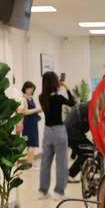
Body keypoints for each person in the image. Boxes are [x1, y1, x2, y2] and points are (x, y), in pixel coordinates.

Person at [38, 70, 76, 199]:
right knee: (61, 163)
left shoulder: (41, 98)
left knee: (45, 163)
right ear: (55, 83)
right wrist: (66, 87)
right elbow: (72, 103)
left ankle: (42, 191)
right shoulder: (59, 98)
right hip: (59, 131)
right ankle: (59, 192)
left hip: (47, 132)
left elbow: (50, 98)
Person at [19, 80, 42, 165]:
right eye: (29, 89)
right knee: (30, 143)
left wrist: (38, 110)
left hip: (33, 123)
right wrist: (37, 109)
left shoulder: (30, 98)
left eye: (32, 89)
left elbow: (32, 110)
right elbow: (25, 112)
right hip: (28, 123)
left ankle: (30, 162)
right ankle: (29, 163)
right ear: (25, 88)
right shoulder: (24, 98)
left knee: (32, 144)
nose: (31, 91)